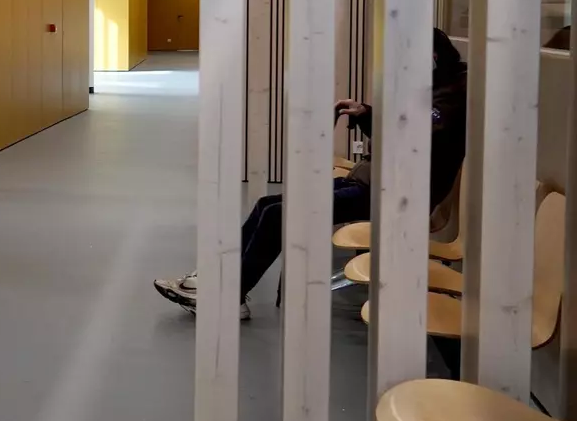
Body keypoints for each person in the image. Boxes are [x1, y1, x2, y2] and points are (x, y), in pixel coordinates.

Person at [154, 28, 468, 320]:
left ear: (431, 58)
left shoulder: (453, 93)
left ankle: (229, 296)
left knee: (278, 216)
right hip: (373, 182)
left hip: (398, 196)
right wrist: (367, 114)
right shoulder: (433, 88)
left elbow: (414, 137)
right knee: (267, 204)